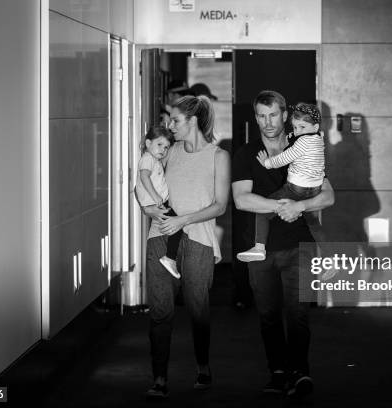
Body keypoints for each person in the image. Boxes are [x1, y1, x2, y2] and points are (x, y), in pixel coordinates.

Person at [232, 90, 335, 398]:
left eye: (273, 115)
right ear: (256, 117)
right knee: (268, 315)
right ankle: (277, 371)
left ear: (285, 115)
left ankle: (300, 372)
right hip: (259, 249)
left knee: (298, 313)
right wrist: (282, 206)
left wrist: (299, 207)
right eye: (261, 116)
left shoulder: (303, 146)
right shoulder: (246, 155)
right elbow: (241, 200)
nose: (267, 122)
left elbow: (328, 195)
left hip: (298, 245)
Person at [142, 95, 230, 399]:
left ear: (192, 120)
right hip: (161, 236)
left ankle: (203, 368)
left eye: (175, 120)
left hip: (198, 239)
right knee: (160, 311)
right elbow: (149, 184)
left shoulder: (218, 156)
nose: (170, 126)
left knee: (197, 308)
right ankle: (159, 378)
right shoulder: (169, 152)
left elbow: (220, 206)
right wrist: (150, 208)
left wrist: (185, 220)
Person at [237, 102, 325, 262]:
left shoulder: (302, 143)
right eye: (295, 127)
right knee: (313, 223)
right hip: (315, 188)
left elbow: (285, 158)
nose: (297, 131)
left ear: (315, 126)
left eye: (302, 127)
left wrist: (267, 163)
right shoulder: (318, 139)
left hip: (297, 188)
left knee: (262, 213)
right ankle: (330, 257)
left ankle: (259, 248)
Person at [135, 126, 182, 279]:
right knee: (177, 227)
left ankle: (170, 258)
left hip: (158, 204)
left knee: (173, 227)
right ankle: (169, 258)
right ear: (148, 143)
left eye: (166, 147)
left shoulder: (154, 159)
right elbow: (144, 177)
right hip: (157, 204)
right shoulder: (147, 158)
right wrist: (155, 197)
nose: (163, 150)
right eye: (159, 145)